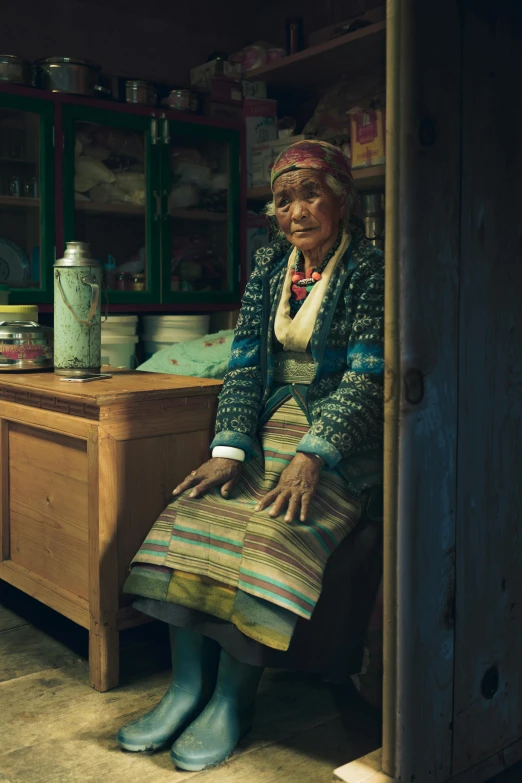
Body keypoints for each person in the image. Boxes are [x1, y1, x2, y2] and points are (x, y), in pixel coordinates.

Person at [118, 140, 384, 772]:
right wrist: (229, 448)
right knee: (192, 513)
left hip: (339, 444)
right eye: (284, 199)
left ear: (341, 200)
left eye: (311, 194)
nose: (296, 211)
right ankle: (185, 689)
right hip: (266, 430)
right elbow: (243, 368)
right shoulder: (269, 267)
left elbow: (368, 379)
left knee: (269, 534)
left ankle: (233, 701)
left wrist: (314, 453)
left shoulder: (372, 269)